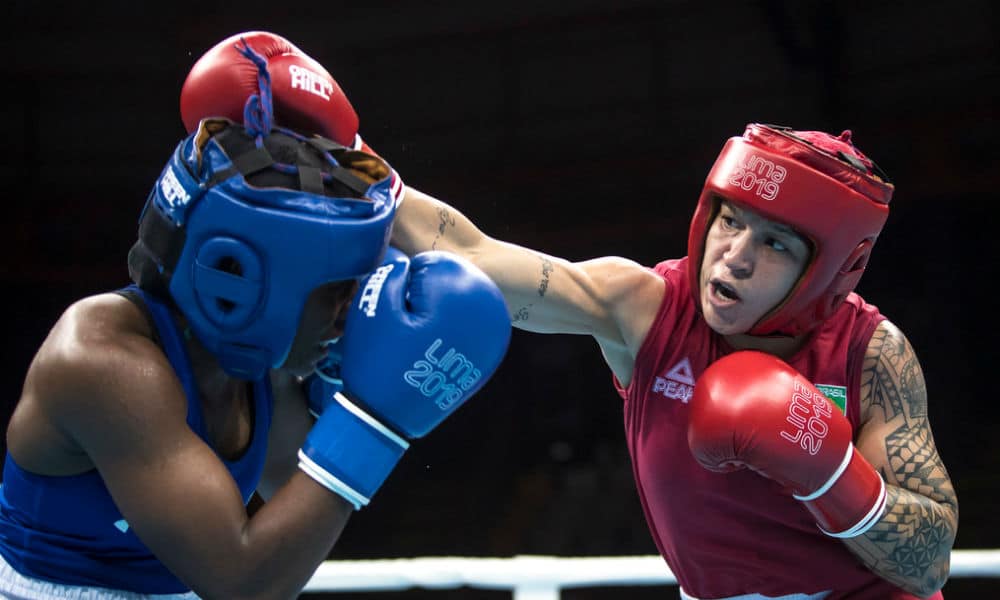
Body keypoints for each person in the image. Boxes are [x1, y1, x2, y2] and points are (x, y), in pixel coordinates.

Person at [175, 31, 958, 599]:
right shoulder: (651, 308)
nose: (735, 256)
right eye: (728, 221)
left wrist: (829, 470)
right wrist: (346, 156)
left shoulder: (871, 353)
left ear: (832, 266)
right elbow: (478, 256)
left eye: (775, 244)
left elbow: (928, 562)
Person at [0, 33, 512, 599]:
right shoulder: (102, 363)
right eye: (338, 291)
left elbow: (294, 497)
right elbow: (246, 583)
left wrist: (340, 393)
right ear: (241, 281)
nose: (349, 314)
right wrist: (372, 419)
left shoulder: (248, 364)